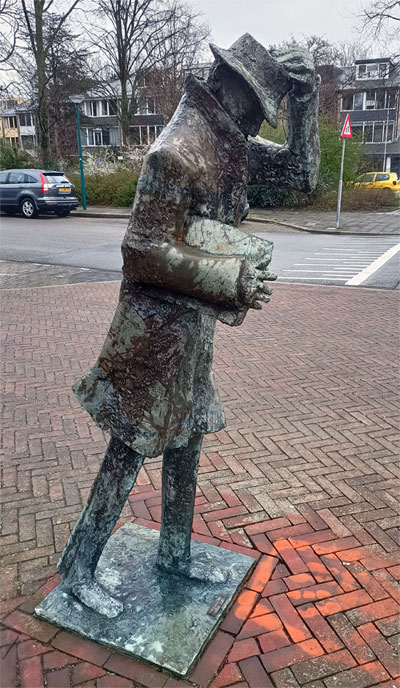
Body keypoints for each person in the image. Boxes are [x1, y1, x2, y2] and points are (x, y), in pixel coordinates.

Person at [58, 34, 320, 618]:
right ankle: (78, 566)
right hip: (150, 336)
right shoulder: (176, 153)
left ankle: (174, 552)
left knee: (188, 434)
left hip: (190, 328)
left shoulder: (228, 146)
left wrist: (306, 104)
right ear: (227, 87)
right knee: (130, 447)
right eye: (256, 105)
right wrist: (229, 278)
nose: (258, 121)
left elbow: (302, 175)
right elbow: (140, 251)